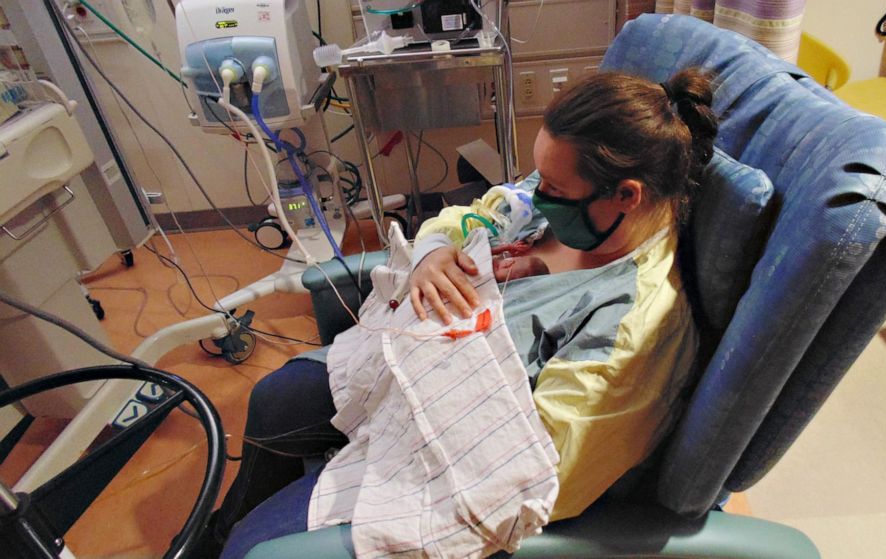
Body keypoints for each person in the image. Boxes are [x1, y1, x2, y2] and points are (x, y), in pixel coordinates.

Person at [195, 67, 719, 558]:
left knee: (257, 549)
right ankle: (216, 534)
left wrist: (431, 389)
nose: (537, 194)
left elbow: (538, 476)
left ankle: (239, 535)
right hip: (403, 366)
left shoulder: (633, 330)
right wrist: (432, 256)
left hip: (444, 454)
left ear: (627, 195)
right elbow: (467, 218)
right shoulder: (559, 206)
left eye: (554, 190)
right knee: (273, 399)